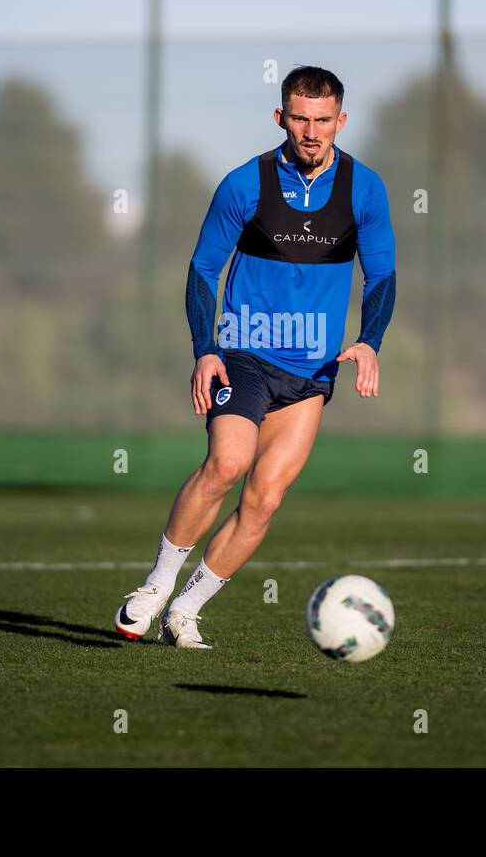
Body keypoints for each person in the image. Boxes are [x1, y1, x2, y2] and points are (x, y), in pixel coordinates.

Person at [114, 65, 396, 648]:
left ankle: (186, 612)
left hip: (312, 371)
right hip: (244, 351)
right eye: (299, 118)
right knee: (226, 464)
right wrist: (204, 350)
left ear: (341, 121)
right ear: (281, 118)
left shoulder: (365, 189)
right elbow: (202, 271)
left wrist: (370, 339)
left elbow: (383, 276)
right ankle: (156, 587)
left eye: (323, 120)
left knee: (265, 498)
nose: (311, 131)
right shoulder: (246, 184)